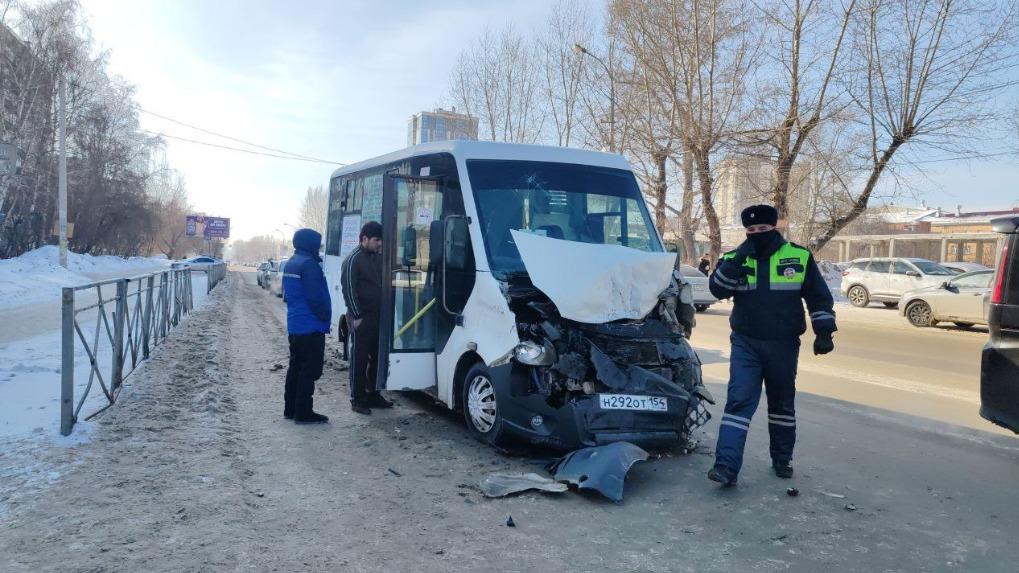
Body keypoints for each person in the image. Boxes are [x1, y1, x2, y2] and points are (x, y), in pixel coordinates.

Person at [706, 204, 836, 487]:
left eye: (762, 229)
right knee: (739, 402)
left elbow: (818, 297)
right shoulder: (735, 257)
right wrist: (738, 257)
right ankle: (726, 467)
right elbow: (717, 289)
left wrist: (824, 330)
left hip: (783, 345)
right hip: (746, 344)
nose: (756, 234)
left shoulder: (798, 256)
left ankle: (782, 459)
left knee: (781, 405)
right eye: (750, 231)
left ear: (774, 228)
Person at [340, 221, 393, 415]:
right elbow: (349, 289)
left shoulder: (376, 257)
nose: (380, 244)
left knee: (378, 358)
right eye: (376, 240)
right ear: (364, 239)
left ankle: (374, 395)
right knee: (359, 360)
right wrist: (357, 315)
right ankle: (358, 399)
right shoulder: (354, 259)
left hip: (379, 317)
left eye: (381, 240)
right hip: (362, 318)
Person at [282, 228, 332, 424]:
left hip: (295, 324)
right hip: (311, 325)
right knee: (308, 370)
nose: (318, 248)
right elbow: (316, 298)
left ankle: (290, 408)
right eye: (317, 244)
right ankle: (304, 412)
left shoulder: (292, 263)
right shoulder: (309, 265)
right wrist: (325, 316)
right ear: (309, 244)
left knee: (295, 367)